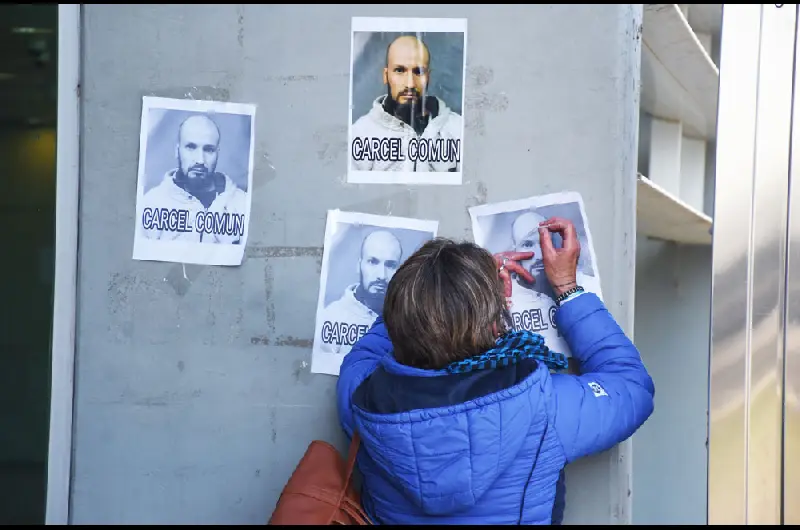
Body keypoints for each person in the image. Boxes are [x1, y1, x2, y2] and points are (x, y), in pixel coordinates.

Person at [336, 216, 655, 525]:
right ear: (494, 323)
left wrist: (440, 295)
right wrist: (568, 289)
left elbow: (368, 350)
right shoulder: (545, 405)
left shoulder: (360, 398)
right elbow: (630, 385)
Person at [350, 34, 462, 173]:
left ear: (428, 77)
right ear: (386, 76)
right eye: (399, 70)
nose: (410, 83)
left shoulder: (458, 130)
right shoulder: (359, 135)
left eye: (418, 72)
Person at [139, 113, 248, 244]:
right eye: (191, 147)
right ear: (177, 151)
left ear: (217, 153)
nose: (200, 160)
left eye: (209, 150)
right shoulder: (151, 204)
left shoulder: (242, 204)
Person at [318, 230, 403, 355]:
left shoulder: (408, 320)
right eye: (373, 262)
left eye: (390, 265)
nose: (381, 275)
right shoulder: (332, 316)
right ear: (359, 265)